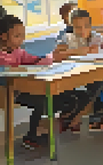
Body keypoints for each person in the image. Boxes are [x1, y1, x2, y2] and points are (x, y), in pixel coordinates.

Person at [0, 15, 81, 149]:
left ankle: (41, 129)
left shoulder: (18, 51)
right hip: (9, 92)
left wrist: (51, 57)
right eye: (17, 36)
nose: (21, 39)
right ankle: (33, 135)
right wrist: (48, 59)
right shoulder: (2, 56)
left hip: (23, 88)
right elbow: (14, 70)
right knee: (42, 100)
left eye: (23, 35)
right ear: (3, 36)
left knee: (66, 98)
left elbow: (35, 61)